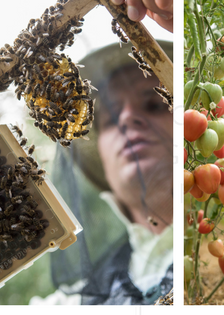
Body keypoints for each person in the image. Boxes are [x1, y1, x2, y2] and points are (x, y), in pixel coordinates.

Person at [28, 41, 173, 305]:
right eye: (111, 117)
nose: (127, 118)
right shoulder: (70, 305)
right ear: (102, 158)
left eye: (154, 103)